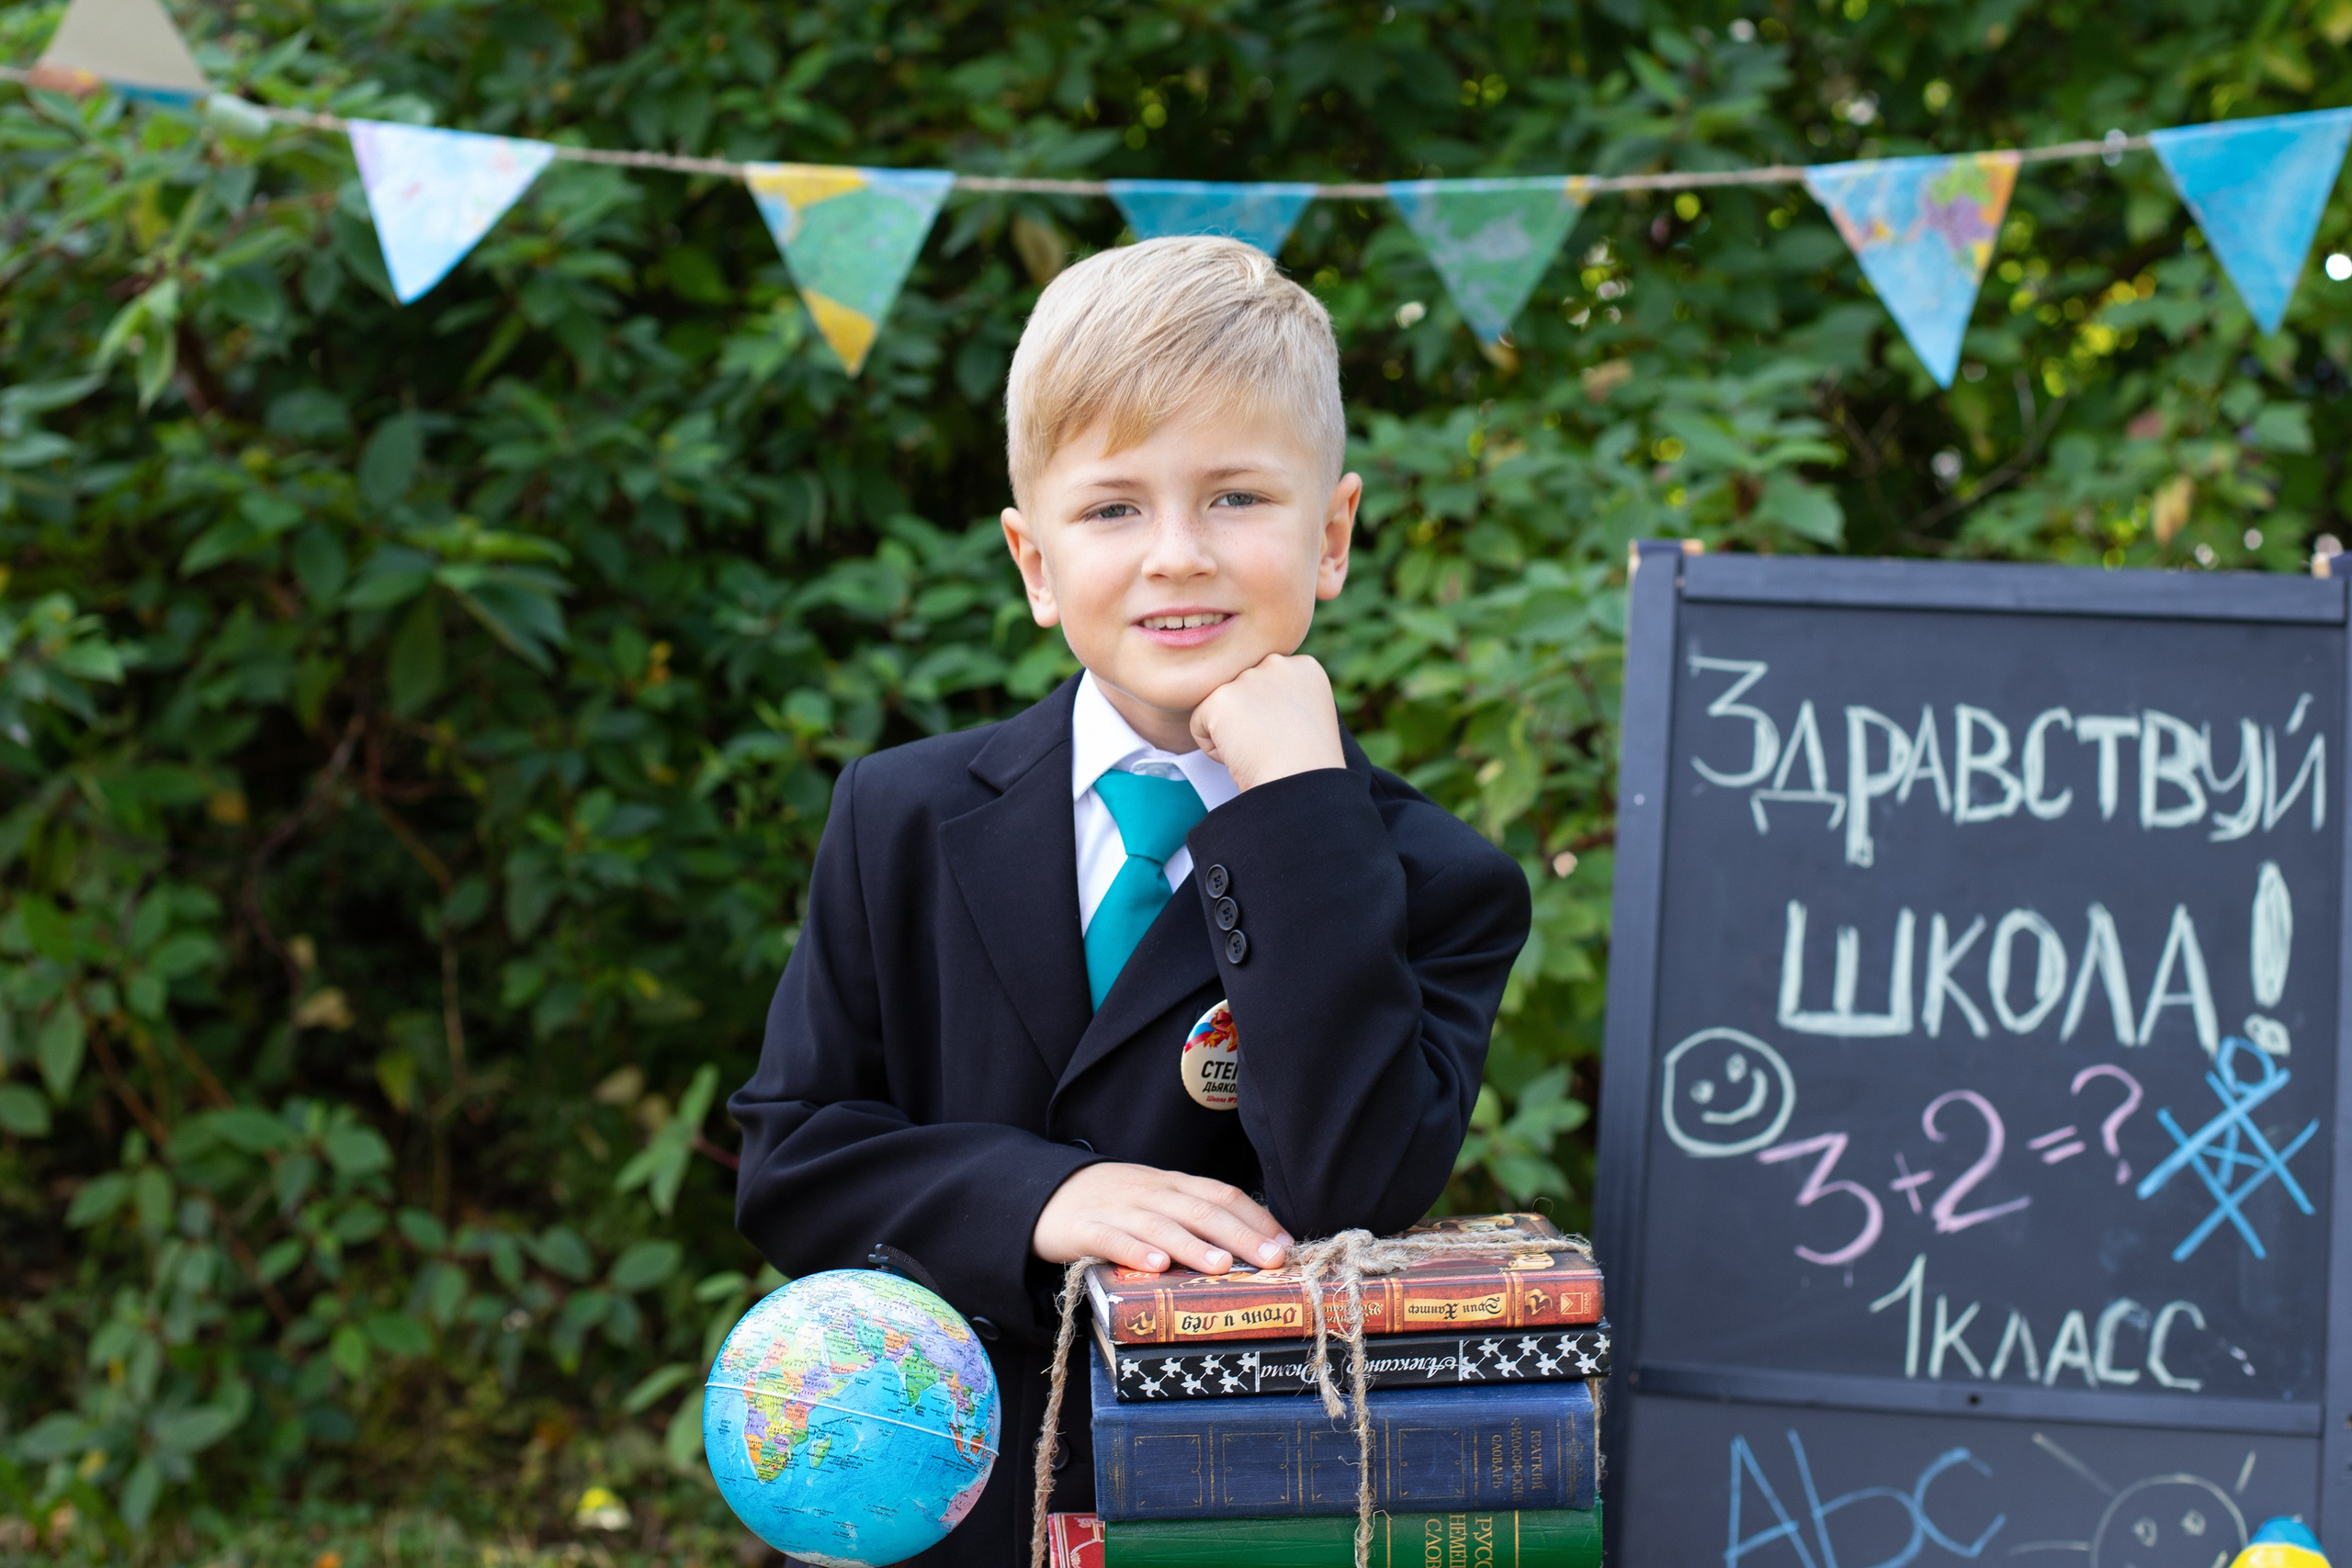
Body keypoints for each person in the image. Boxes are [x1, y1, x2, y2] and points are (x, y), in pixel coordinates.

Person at [729, 235, 1532, 1566]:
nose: (1176, 556)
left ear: (1330, 536)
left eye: (1235, 499)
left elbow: (1352, 1183)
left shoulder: (1433, 880)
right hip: (933, 1515)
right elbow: (795, 1157)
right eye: (1112, 510)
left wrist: (1292, 814)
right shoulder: (905, 816)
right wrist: (1044, 1195)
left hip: (1253, 1516)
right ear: (1033, 561)